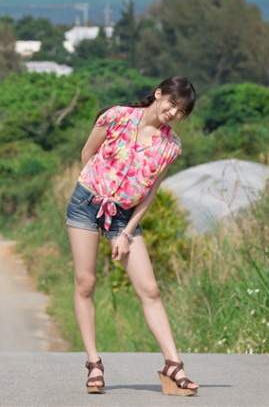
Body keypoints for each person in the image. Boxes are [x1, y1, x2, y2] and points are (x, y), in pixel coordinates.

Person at [66, 75, 199, 396]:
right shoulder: (115, 116)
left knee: (150, 289)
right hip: (86, 203)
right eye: (172, 104)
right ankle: (94, 363)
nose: (173, 113)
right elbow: (88, 153)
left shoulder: (171, 146)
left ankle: (173, 365)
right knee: (86, 282)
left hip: (124, 216)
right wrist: (98, 191)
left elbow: (151, 192)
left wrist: (125, 231)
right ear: (159, 94)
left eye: (181, 112)